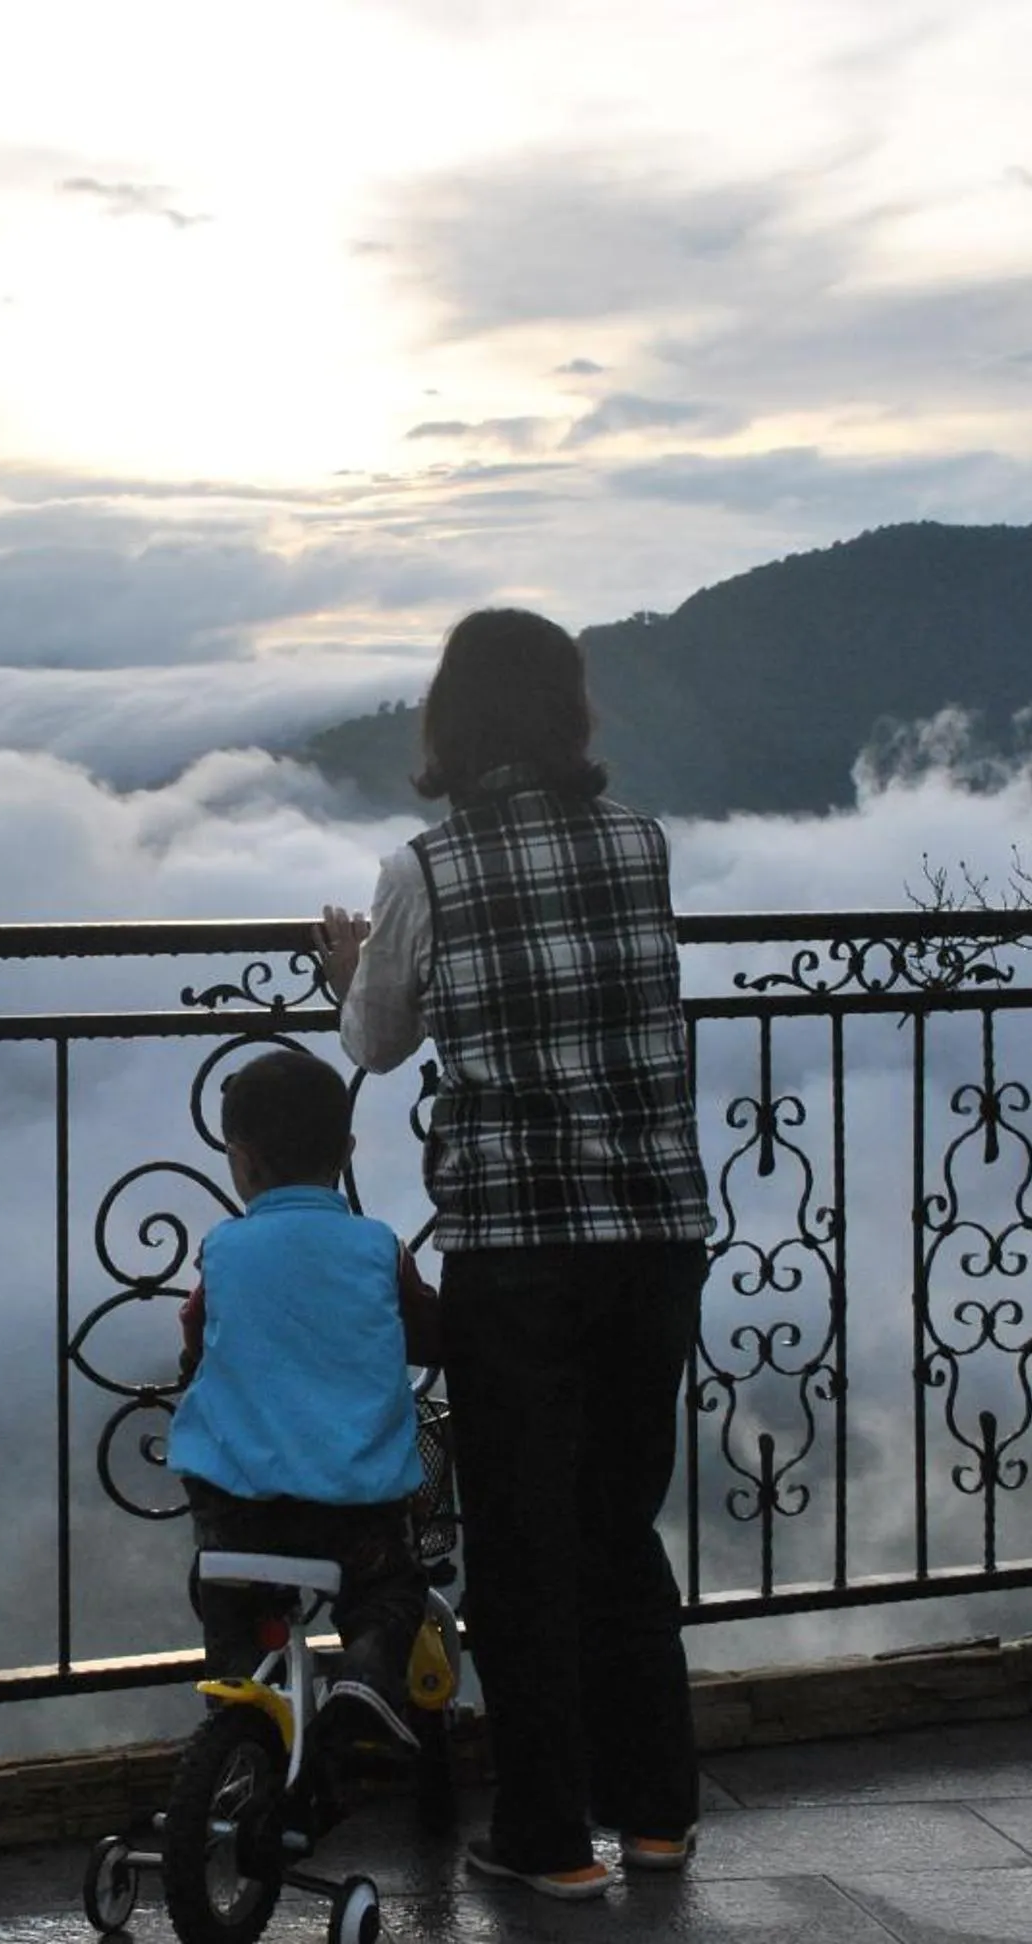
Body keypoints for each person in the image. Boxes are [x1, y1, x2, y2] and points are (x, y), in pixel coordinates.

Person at [315, 607, 712, 1902]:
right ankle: (657, 1813)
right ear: (570, 715)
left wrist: (353, 970)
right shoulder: (640, 846)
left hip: (516, 1248)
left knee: (528, 1547)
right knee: (619, 1527)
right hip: (655, 1236)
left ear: (452, 721)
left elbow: (374, 1044)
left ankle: (547, 1840)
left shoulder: (428, 871)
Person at [167, 1046, 439, 1750]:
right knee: (389, 1592)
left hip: (238, 1504)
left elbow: (195, 1334)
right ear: (346, 1150)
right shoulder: (378, 1247)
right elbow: (426, 1329)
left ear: (240, 1158)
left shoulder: (222, 1249)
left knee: (221, 1589)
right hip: (355, 1507)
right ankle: (366, 1681)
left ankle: (241, 1717)